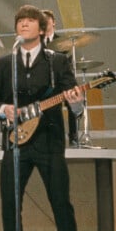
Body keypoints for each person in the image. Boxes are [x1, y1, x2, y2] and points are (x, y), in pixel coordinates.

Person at [0, 5, 90, 231]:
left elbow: (72, 98)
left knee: (61, 206)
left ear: (43, 29)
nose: (24, 25)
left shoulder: (58, 61)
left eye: (30, 21)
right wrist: (3, 109)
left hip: (49, 143)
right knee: (10, 206)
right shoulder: (6, 63)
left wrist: (78, 101)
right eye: (20, 21)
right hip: (15, 143)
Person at [42, 9, 80, 147]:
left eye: (47, 20)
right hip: (46, 82)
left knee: (73, 96)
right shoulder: (36, 42)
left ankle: (74, 137)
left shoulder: (62, 41)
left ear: (53, 23)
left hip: (62, 77)